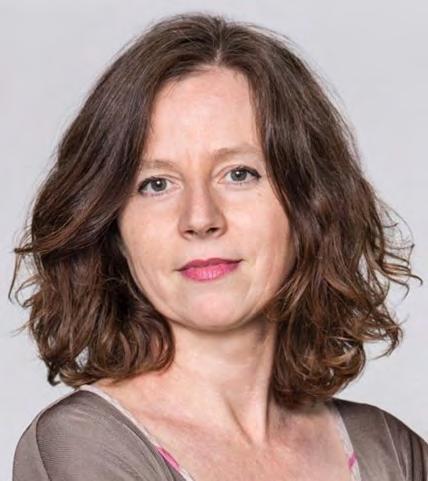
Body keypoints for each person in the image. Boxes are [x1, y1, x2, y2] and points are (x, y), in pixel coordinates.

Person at [10, 11, 427, 481]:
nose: (200, 218)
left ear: (309, 205)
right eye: (156, 184)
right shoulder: (85, 447)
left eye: (239, 174)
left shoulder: (390, 451)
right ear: (115, 228)